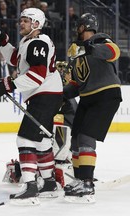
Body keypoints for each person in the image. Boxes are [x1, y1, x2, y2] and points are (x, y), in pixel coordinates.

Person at [0, 8, 63, 205]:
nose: (21, 23)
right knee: (42, 142)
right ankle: (48, 184)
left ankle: (30, 187)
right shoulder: (28, 42)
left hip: (45, 95)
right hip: (46, 95)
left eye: (25, 21)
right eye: (20, 20)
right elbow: (16, 60)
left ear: (36, 24)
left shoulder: (38, 42)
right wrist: (3, 42)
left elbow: (37, 75)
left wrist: (8, 84)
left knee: (25, 138)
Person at [63, 13, 122, 203]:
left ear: (84, 26)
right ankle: (79, 179)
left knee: (86, 136)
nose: (76, 29)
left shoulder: (100, 39)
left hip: (105, 94)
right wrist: (58, 93)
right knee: (75, 138)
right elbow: (75, 83)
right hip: (87, 97)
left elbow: (114, 52)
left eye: (79, 26)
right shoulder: (76, 53)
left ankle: (87, 183)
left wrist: (86, 47)